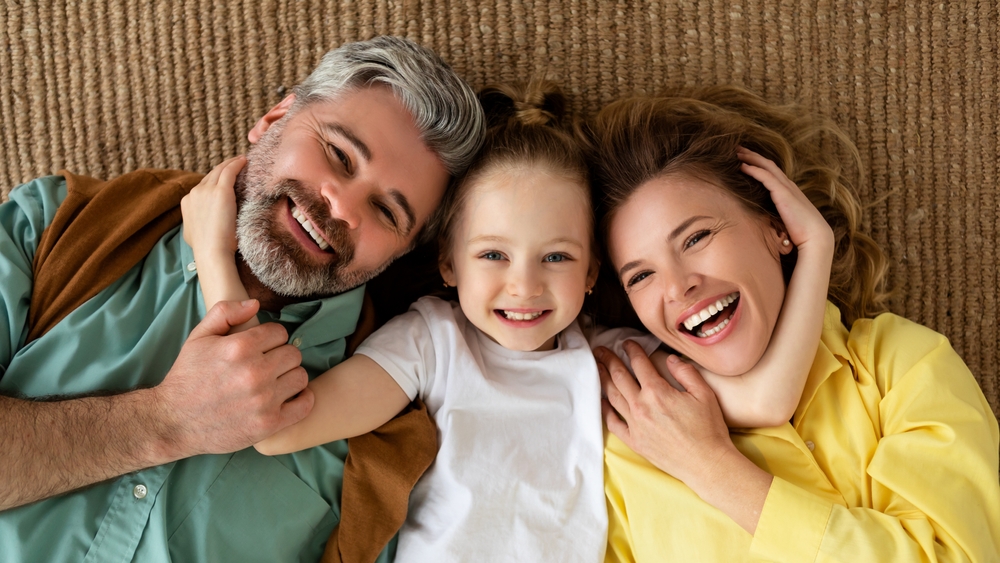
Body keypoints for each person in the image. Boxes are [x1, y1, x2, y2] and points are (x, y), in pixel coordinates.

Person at [184, 79, 836, 562]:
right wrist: (216, 257)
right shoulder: (431, 342)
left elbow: (768, 398)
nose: (523, 285)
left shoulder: (607, 361)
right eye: (493, 254)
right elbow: (275, 425)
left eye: (556, 256)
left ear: (590, 276)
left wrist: (815, 250)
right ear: (448, 263)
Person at [0, 36, 484, 562]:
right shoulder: (51, 227)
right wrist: (167, 421)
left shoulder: (378, 436)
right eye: (339, 155)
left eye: (387, 213)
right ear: (275, 119)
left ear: (405, 252)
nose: (341, 206)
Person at [587, 85, 1000, 561]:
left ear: (777, 226)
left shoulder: (902, 364)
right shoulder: (627, 444)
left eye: (696, 237)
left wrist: (713, 469)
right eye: (641, 275)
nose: (679, 287)